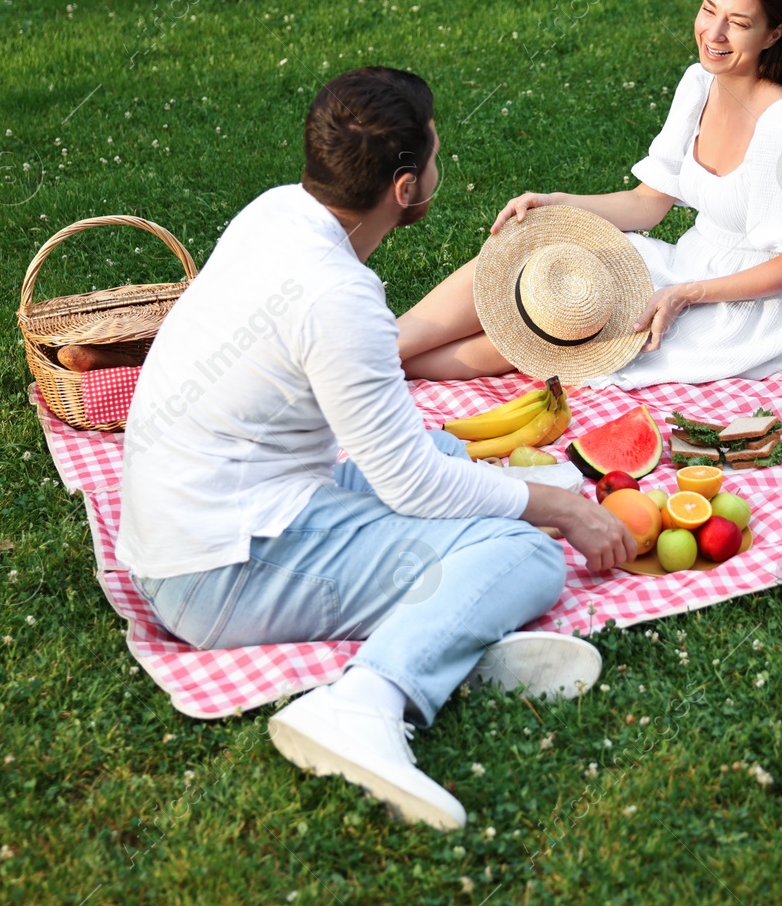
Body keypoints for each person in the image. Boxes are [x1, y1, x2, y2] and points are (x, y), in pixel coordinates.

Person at [115, 67, 639, 831]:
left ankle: (448, 641)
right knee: (526, 551)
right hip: (215, 573)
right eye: (432, 154)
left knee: (458, 464)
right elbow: (410, 487)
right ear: (404, 189)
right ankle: (363, 703)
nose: (439, 164)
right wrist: (561, 508)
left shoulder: (275, 212)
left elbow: (406, 457)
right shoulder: (338, 296)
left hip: (204, 517)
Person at [397, 0, 782, 388]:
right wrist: (555, 204)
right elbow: (648, 204)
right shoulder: (700, 83)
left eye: (739, 24)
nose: (714, 33)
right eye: (709, 9)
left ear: (774, 34)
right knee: (534, 268)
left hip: (748, 306)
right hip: (687, 264)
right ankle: (376, 348)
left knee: (558, 331)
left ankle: (368, 366)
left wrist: (686, 295)